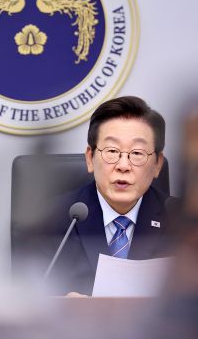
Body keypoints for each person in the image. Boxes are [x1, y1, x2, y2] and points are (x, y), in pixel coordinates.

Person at [40, 96, 173, 295]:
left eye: (137, 153)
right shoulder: (52, 219)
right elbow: (27, 296)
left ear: (157, 164)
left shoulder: (182, 223)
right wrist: (61, 304)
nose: (123, 166)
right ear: (90, 158)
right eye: (112, 151)